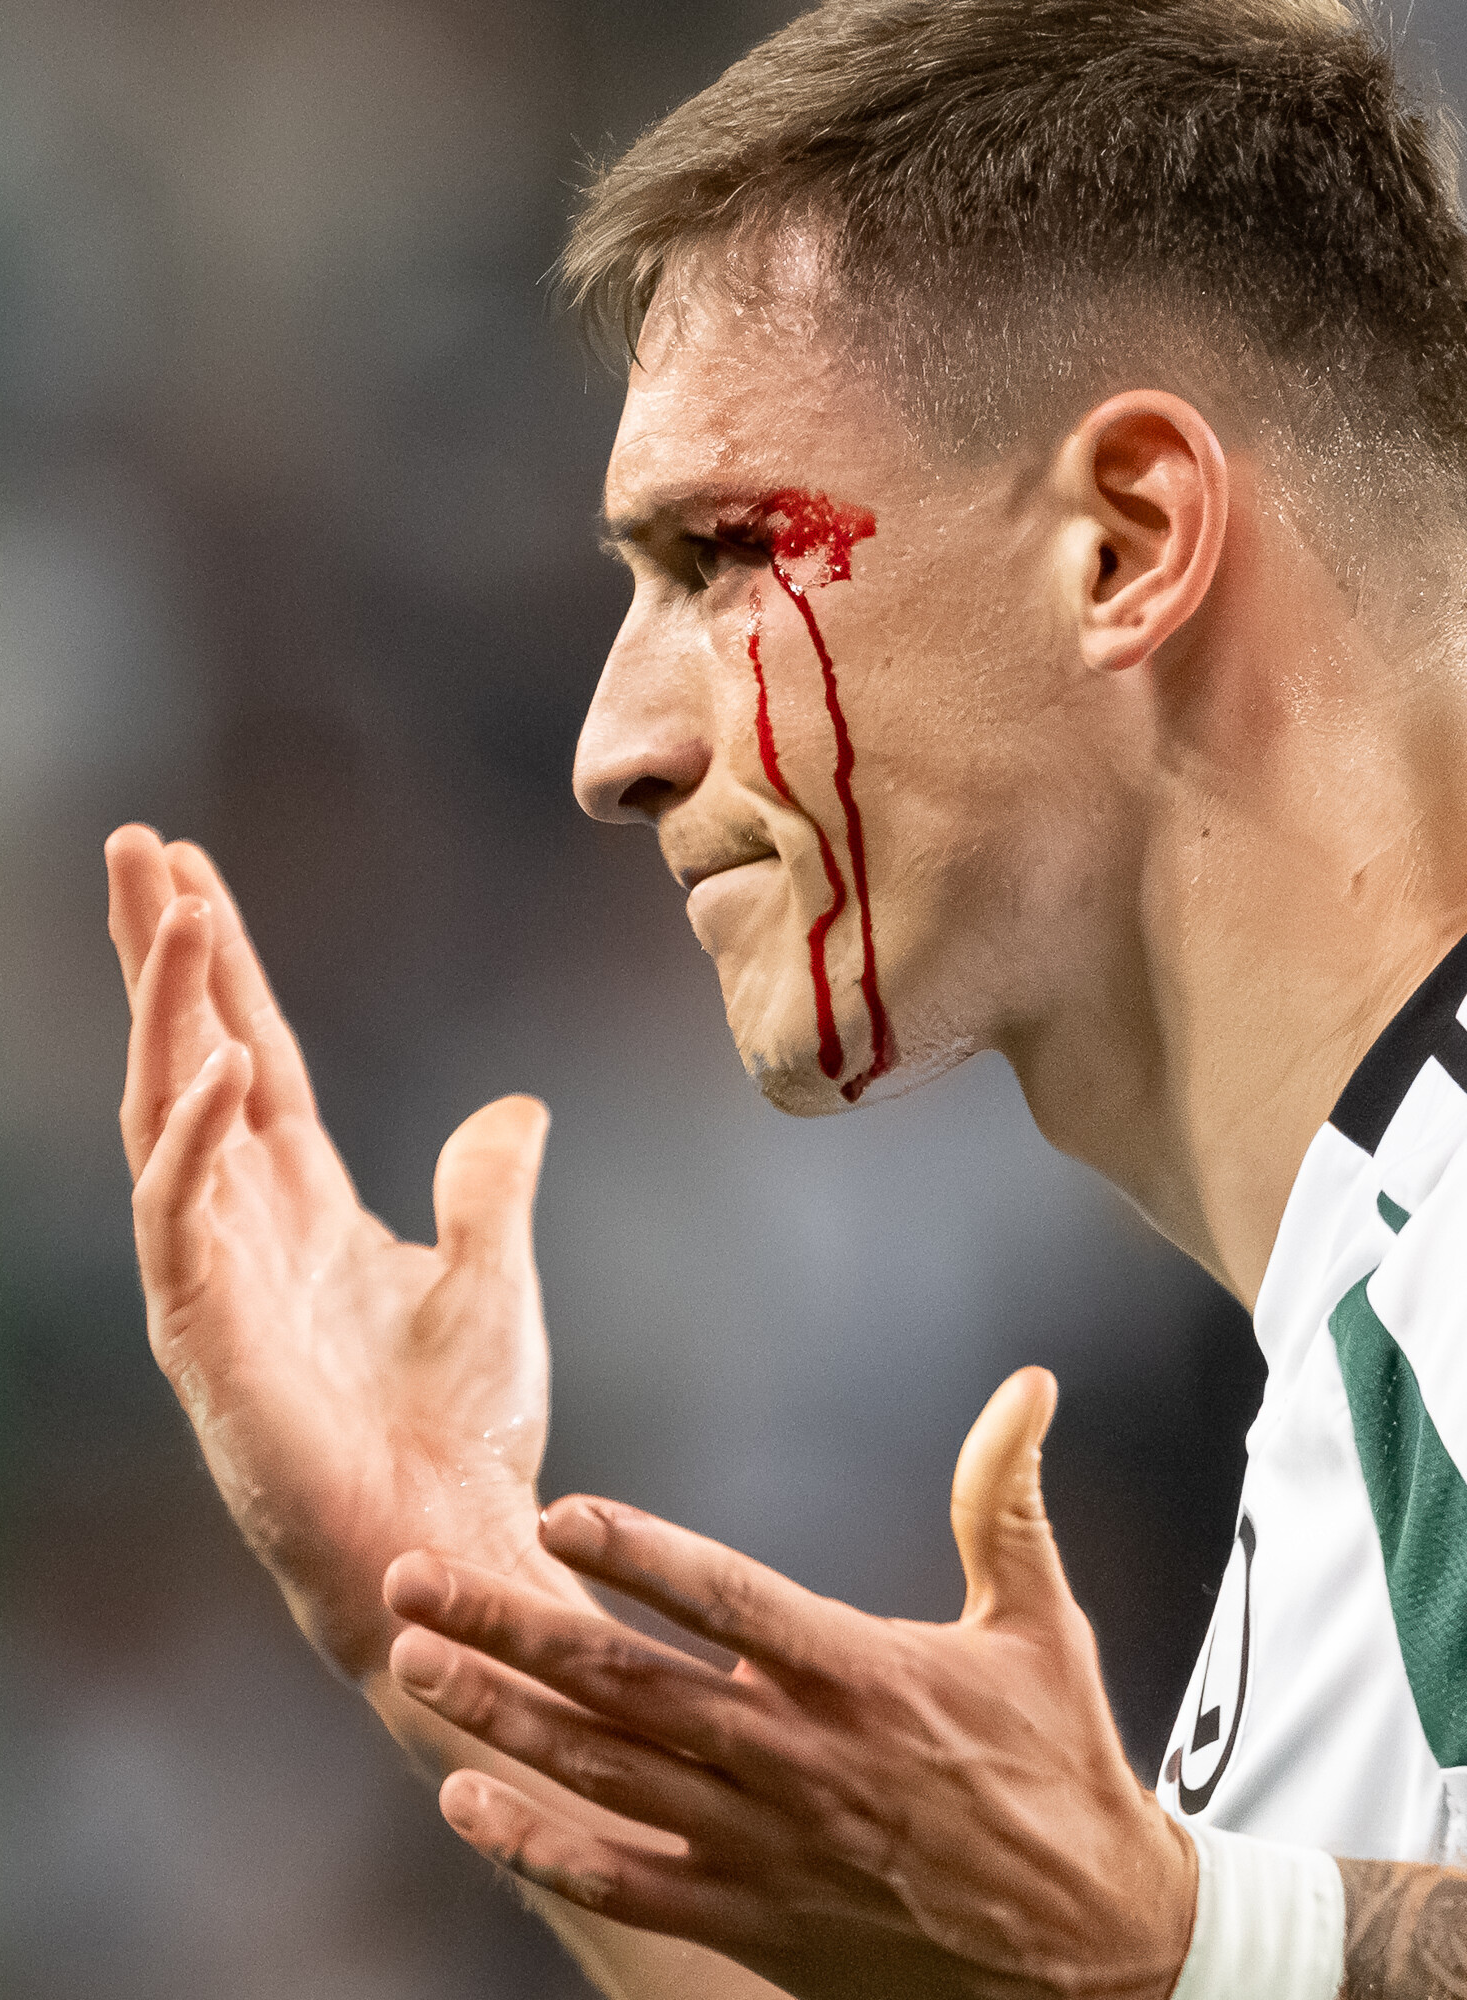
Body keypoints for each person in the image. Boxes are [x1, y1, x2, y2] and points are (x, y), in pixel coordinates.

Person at [105, 0, 1467, 1993]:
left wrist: (1183, 1933)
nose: (611, 747)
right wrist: (440, 1591)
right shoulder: (1380, 1313)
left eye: (724, 557)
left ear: (1127, 543)